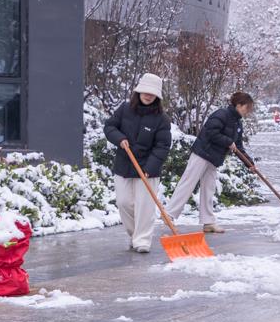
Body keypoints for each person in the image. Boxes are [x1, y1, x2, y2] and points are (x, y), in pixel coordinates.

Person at [166, 92, 255, 233]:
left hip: (214, 159)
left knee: (209, 189)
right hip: (202, 153)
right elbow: (211, 132)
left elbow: (238, 147)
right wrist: (228, 141)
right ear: (238, 105)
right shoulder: (222, 114)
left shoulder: (237, 122)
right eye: (247, 108)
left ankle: (208, 222)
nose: (248, 111)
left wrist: (249, 164)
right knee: (188, 182)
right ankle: (169, 214)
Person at [104, 73, 172, 253]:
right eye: (145, 92)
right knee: (123, 202)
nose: (148, 95)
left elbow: (162, 146)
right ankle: (134, 234)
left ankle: (142, 240)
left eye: (152, 93)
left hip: (147, 167)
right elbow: (109, 127)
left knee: (144, 206)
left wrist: (150, 168)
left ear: (157, 96)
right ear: (138, 91)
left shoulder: (162, 119)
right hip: (124, 164)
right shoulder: (125, 109)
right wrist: (119, 138)